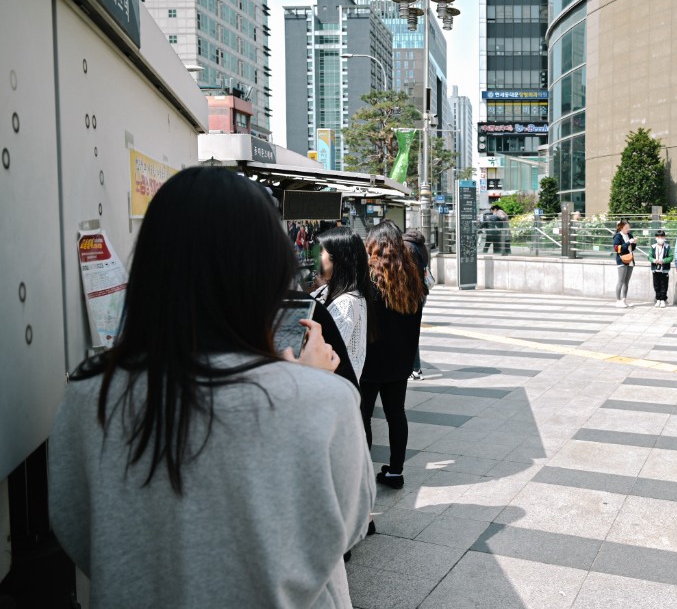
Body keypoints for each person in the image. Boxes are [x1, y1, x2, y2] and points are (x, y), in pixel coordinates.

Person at [47, 167, 374, 607]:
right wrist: (307, 383)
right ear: (266, 270)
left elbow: (75, 527)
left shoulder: (90, 394)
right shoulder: (323, 401)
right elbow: (348, 525)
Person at [361, 220, 426, 489]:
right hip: (400, 362)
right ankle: (396, 471)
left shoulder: (368, 283)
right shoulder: (413, 282)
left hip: (369, 362)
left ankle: (363, 474)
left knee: (363, 416)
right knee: (396, 414)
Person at [313, 227, 373, 379]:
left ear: (338, 259)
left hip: (334, 387)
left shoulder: (346, 303)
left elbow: (326, 352)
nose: (316, 258)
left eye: (321, 253)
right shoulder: (347, 295)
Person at [403, 228, 432, 380]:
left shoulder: (406, 246)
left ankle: (415, 369)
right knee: (412, 330)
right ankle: (414, 368)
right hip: (421, 292)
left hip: (410, 294)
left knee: (409, 332)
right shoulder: (421, 246)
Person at [612, 220, 637, 307]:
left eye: (628, 227)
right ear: (621, 227)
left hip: (630, 259)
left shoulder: (629, 235)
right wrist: (628, 242)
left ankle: (624, 300)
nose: (628, 229)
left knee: (626, 282)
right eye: (626, 227)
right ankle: (618, 300)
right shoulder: (617, 236)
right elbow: (617, 249)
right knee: (621, 281)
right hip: (621, 260)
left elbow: (632, 248)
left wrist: (634, 243)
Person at [649, 229, 674, 308]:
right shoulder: (653, 247)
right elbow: (649, 257)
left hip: (664, 269)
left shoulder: (668, 247)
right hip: (655, 269)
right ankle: (658, 299)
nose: (660, 238)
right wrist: (654, 260)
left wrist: (663, 261)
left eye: (662, 237)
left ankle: (663, 299)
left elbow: (671, 257)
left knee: (664, 285)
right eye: (658, 237)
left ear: (664, 237)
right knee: (656, 285)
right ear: (656, 238)